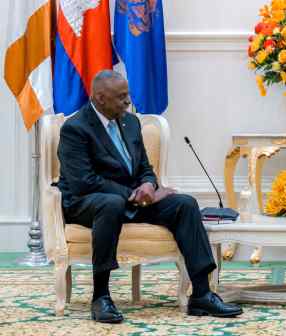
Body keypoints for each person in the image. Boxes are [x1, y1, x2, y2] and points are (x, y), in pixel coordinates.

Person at [57, 70, 243, 323]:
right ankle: (101, 297)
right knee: (110, 204)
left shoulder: (130, 122)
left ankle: (201, 294)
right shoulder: (75, 128)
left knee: (184, 204)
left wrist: (148, 184)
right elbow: (84, 182)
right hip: (88, 201)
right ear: (100, 98)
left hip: (132, 199)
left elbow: (144, 166)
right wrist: (135, 194)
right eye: (121, 97)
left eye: (128, 95)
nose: (127, 101)